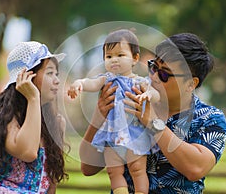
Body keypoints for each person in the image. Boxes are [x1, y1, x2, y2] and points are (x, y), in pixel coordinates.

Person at [79, 33, 226, 193]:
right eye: (153, 67)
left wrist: (152, 123)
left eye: (164, 74)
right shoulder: (130, 96)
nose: (154, 77)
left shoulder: (210, 118)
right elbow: (88, 168)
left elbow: (195, 168)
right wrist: (98, 118)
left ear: (191, 83)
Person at [0, 41, 69, 193]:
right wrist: (33, 98)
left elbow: (51, 182)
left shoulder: (57, 122)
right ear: (27, 76)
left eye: (57, 74)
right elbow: (28, 152)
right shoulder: (2, 115)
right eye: (49, 73)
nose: (57, 80)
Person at [69, 29, 160, 194]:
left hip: (134, 133)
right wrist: (79, 83)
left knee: (138, 169)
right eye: (109, 56)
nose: (114, 60)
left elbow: (156, 95)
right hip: (112, 135)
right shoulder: (106, 79)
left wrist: (148, 94)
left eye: (120, 55)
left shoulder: (140, 82)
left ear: (135, 59)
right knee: (113, 170)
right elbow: (91, 83)